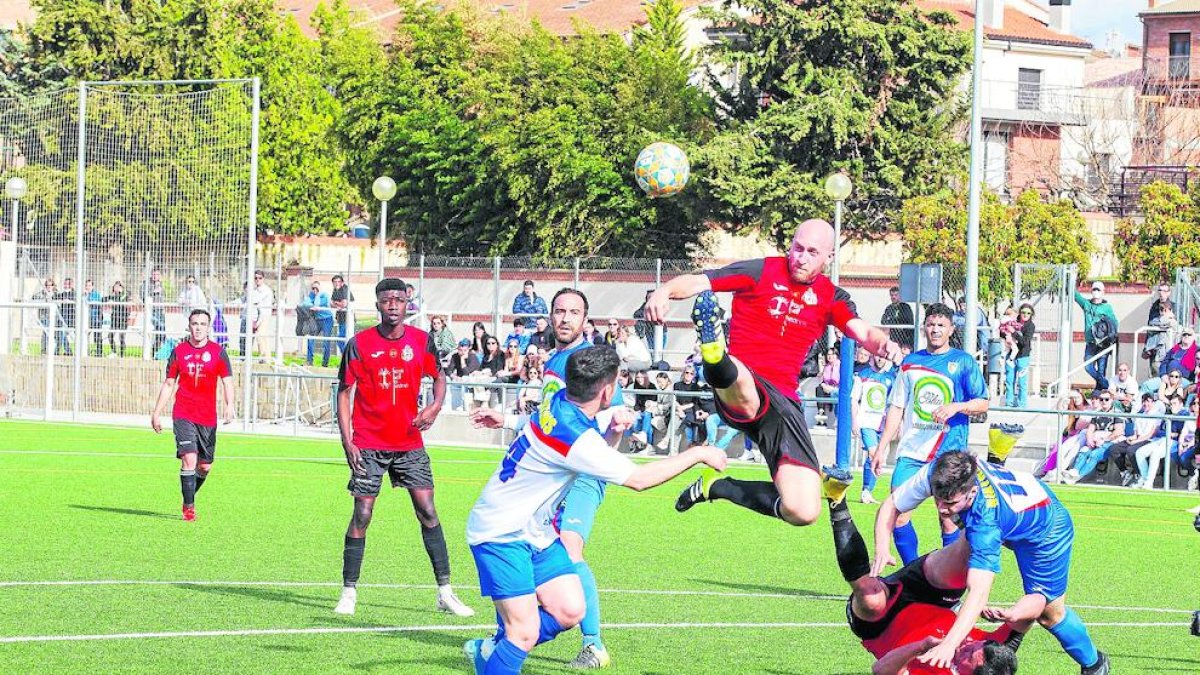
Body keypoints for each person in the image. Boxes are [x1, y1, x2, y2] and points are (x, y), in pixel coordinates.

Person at [463, 346, 727, 675]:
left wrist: (512, 420)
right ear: (607, 390)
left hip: (535, 530)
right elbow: (640, 479)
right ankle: (500, 653)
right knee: (524, 632)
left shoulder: (556, 400)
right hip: (500, 532)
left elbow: (544, 421)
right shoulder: (578, 440)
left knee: (570, 609)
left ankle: (492, 654)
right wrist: (699, 453)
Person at [645, 218, 901, 527]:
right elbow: (700, 281)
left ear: (828, 257)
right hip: (742, 386)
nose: (800, 257)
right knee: (743, 381)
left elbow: (861, 331)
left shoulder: (831, 296)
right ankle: (714, 353)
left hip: (784, 405)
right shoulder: (762, 270)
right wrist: (664, 290)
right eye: (797, 248)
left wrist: (884, 343)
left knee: (804, 511)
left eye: (811, 252)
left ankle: (719, 487)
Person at [470, 288, 629, 669]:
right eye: (559, 311)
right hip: (558, 473)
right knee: (528, 550)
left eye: (574, 312)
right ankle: (505, 643)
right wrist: (508, 419)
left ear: (585, 320)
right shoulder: (557, 360)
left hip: (584, 470)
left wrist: (619, 423)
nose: (565, 318)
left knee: (569, 549)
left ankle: (593, 644)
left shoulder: (588, 362)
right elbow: (549, 422)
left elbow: (613, 413)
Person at [873, 452, 1109, 675]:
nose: (941, 508)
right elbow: (892, 504)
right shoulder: (942, 469)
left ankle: (1095, 664)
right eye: (937, 499)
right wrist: (882, 547)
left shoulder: (986, 523)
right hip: (1015, 509)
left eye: (950, 503)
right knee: (958, 555)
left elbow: (978, 592)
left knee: (1049, 613)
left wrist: (949, 645)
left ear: (972, 491)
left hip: (1045, 530)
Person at [331, 278, 472, 618]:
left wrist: (435, 406)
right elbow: (344, 392)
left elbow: (439, 377)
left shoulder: (422, 341)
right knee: (362, 513)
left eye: (398, 299)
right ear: (377, 304)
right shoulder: (359, 344)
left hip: (409, 442)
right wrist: (347, 439)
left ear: (408, 302)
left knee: (428, 511)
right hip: (368, 442)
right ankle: (349, 591)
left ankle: (445, 591)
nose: (392, 305)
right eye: (386, 300)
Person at [826, 491, 1025, 675]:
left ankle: (837, 498)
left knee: (870, 596)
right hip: (934, 598)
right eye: (974, 646)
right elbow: (1034, 610)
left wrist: (921, 646)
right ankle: (971, 500)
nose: (965, 646)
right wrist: (1013, 614)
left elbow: (880, 670)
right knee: (969, 552)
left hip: (882, 623)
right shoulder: (997, 653)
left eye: (968, 656)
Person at [870, 303, 989, 564]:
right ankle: (913, 570)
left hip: (949, 455)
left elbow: (983, 402)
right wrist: (881, 447)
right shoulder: (910, 363)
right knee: (899, 512)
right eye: (931, 325)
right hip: (912, 453)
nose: (935, 330)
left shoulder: (963, 362)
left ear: (951, 329)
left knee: (948, 520)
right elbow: (897, 408)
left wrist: (957, 406)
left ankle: (948, 576)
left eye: (941, 326)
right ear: (924, 328)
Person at [150, 309, 234, 521]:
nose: (198, 327)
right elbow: (169, 383)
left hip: (207, 417)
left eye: (202, 324)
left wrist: (230, 404)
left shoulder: (218, 352)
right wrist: (157, 412)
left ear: (208, 327)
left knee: (204, 466)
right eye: (194, 323)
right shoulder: (179, 352)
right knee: (189, 459)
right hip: (183, 413)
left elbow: (227, 381)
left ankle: (188, 494)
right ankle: (189, 508)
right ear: (189, 326)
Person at [852, 353, 896, 504]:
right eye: (877, 356)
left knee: (879, 457)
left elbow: (894, 405)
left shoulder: (891, 378)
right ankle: (866, 491)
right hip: (867, 422)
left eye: (882, 357)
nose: (880, 359)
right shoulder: (863, 375)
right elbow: (854, 400)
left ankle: (867, 490)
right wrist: (854, 422)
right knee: (873, 455)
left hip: (883, 424)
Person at [1061, 392, 1123, 484]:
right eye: (1101, 399)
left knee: (1094, 455)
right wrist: (1090, 439)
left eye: (1106, 399)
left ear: (1111, 400)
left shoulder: (1117, 413)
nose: (1103, 401)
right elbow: (1090, 429)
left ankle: (1076, 477)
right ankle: (1074, 471)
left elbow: (1118, 431)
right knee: (1084, 451)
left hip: (1110, 441)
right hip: (1096, 439)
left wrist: (1104, 440)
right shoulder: (1097, 413)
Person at [1106, 393, 1164, 487]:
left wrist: (1136, 441)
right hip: (1137, 439)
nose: (1146, 404)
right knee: (1114, 449)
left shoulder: (1157, 415)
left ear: (1153, 403)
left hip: (1148, 441)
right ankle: (1124, 472)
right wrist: (1131, 438)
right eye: (1144, 401)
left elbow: (1151, 434)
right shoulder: (1140, 415)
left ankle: (1139, 474)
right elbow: (1136, 433)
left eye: (1149, 401)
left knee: (1131, 450)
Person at [1074, 281, 1118, 391]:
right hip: (1091, 343)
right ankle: (1108, 386)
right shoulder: (1086, 304)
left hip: (1103, 344)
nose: (1096, 292)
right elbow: (1076, 295)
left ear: (1103, 292)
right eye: (1094, 289)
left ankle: (1098, 394)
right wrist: (1070, 280)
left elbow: (1114, 323)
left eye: (1098, 290)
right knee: (1088, 367)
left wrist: (1109, 336)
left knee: (1101, 369)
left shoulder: (1107, 307)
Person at [1005, 304, 1036, 408]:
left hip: (1023, 356)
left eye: (1028, 313)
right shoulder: (1013, 322)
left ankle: (1021, 404)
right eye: (1023, 312)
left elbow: (1025, 342)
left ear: (1031, 314)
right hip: (1011, 355)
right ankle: (1009, 402)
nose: (1025, 315)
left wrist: (1014, 333)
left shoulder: (1030, 326)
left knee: (1022, 382)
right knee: (1009, 379)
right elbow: (1003, 332)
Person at [301, 280, 335, 367]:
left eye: (317, 288)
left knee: (326, 341)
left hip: (327, 320)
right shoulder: (311, 295)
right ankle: (309, 360)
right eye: (313, 288)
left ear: (320, 288)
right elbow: (305, 304)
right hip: (317, 320)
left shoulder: (324, 295)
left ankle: (325, 363)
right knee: (310, 338)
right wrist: (310, 301)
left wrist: (318, 295)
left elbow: (317, 304)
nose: (315, 290)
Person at [881, 286, 915, 350]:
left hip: (906, 337)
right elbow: (883, 321)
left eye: (896, 295)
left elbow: (906, 320)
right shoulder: (889, 308)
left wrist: (892, 320)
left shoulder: (905, 307)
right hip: (894, 337)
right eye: (892, 295)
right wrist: (894, 321)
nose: (893, 297)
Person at [104, 281, 131, 358]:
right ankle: (114, 352)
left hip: (123, 319)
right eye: (115, 287)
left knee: (121, 337)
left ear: (121, 287)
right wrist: (108, 301)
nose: (116, 288)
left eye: (118, 287)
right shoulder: (112, 296)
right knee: (110, 335)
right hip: (114, 319)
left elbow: (126, 302)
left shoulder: (125, 295)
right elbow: (103, 299)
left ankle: (122, 354)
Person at [143, 269, 166, 355]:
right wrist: (153, 291)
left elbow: (164, 296)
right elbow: (143, 295)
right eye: (154, 274)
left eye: (157, 274)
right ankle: (154, 350)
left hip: (160, 310)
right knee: (157, 328)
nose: (155, 276)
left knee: (161, 330)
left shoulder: (162, 284)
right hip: (151, 311)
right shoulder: (147, 284)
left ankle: (159, 350)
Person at [32, 278, 57, 355]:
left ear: (53, 286)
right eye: (47, 285)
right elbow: (34, 297)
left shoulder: (56, 294)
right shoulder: (42, 293)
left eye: (50, 285)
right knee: (46, 332)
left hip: (53, 317)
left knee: (52, 334)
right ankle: (44, 350)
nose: (49, 287)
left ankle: (52, 351)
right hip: (44, 317)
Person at [330, 274, 355, 352]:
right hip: (341, 318)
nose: (337, 283)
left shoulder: (344, 289)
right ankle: (346, 360)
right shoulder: (335, 290)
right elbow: (331, 304)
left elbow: (344, 304)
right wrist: (338, 304)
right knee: (342, 340)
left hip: (347, 319)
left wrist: (336, 303)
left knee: (341, 340)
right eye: (335, 282)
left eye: (338, 281)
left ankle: (347, 359)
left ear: (342, 283)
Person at [54, 277, 76, 356]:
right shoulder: (62, 294)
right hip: (62, 318)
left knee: (62, 335)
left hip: (70, 319)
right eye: (65, 283)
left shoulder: (74, 294)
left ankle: (61, 351)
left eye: (67, 284)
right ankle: (66, 351)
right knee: (60, 335)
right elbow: (54, 298)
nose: (65, 285)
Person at [84, 279, 104, 357]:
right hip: (87, 319)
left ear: (92, 286)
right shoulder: (84, 294)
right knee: (85, 335)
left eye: (89, 285)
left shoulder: (96, 294)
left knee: (97, 336)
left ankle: (99, 353)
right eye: (86, 285)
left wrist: (88, 296)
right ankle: (85, 352)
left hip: (96, 318)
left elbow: (94, 303)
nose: (88, 287)